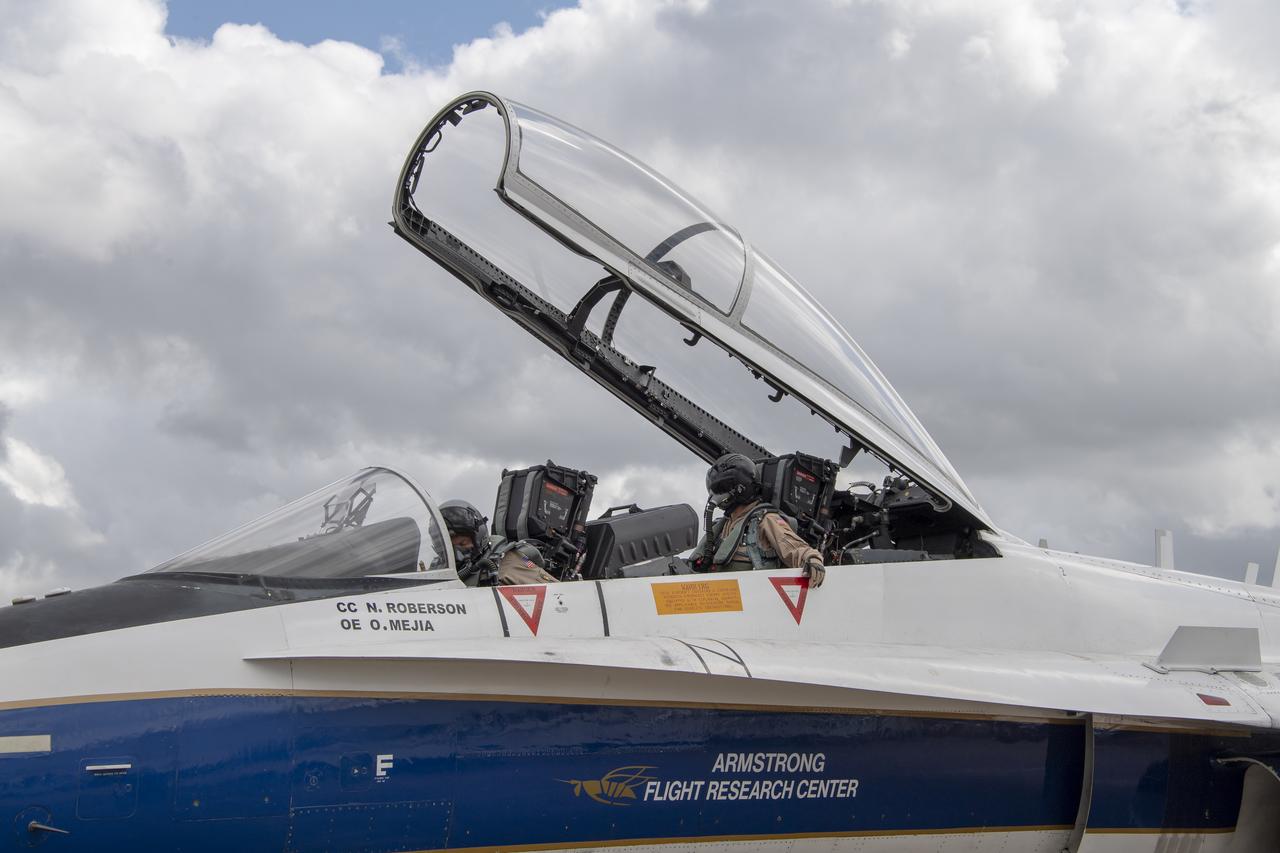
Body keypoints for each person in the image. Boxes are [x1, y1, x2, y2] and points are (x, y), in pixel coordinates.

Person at [693, 453, 826, 587]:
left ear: (739, 489)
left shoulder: (765, 520)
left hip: (755, 599)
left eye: (721, 489)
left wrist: (812, 559)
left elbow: (794, 547)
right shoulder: (722, 525)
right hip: (723, 599)